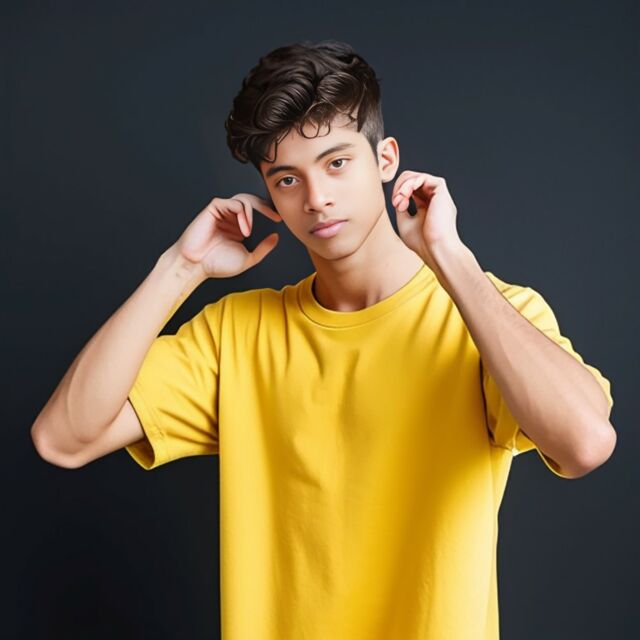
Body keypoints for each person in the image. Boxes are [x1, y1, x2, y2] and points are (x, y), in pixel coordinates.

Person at [31, 39, 616, 639]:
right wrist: (180, 269)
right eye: (288, 179)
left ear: (385, 159)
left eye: (337, 163)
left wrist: (450, 257)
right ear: (270, 195)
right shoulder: (237, 334)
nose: (317, 199)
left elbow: (585, 444)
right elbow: (63, 439)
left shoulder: (493, 317)